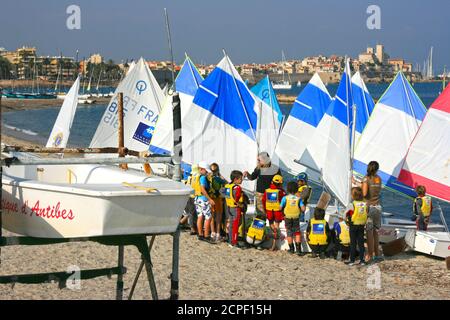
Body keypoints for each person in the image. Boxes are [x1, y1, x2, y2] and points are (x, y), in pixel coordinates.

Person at [353, 161, 383, 263]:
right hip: (378, 207)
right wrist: (359, 183)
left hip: (369, 208)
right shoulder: (379, 178)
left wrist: (356, 184)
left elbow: (365, 193)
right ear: (377, 169)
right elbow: (372, 188)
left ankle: (369, 255)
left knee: (369, 232)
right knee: (376, 232)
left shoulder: (365, 179)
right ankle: (377, 254)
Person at [243, 152, 281, 218]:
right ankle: (261, 228)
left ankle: (272, 227)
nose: (258, 161)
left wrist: (279, 193)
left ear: (265, 159)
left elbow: (280, 181)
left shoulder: (275, 168)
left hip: (271, 194)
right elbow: (252, 177)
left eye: (259, 160)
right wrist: (247, 174)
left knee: (271, 212)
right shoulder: (258, 168)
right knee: (260, 213)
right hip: (260, 194)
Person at [280, 181, 306, 255]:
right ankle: (298, 250)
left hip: (287, 217)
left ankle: (291, 249)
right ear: (296, 189)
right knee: (297, 232)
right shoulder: (298, 199)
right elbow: (303, 209)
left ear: (287, 189)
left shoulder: (285, 198)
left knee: (289, 232)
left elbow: (280, 207)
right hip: (296, 217)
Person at [193, 161, 215, 243]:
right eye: (206, 171)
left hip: (197, 198)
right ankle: (206, 236)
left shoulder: (197, 176)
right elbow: (202, 188)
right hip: (203, 200)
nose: (207, 172)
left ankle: (200, 235)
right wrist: (209, 199)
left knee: (200, 216)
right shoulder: (203, 178)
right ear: (202, 169)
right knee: (208, 217)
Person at [345, 187, 368, 266]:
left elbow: (347, 214)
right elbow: (366, 213)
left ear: (353, 196)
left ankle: (352, 260)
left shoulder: (352, 204)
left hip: (353, 225)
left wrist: (346, 221)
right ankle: (362, 260)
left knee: (353, 243)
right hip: (361, 225)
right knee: (361, 243)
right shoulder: (365, 204)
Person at [262, 174, 286, 250]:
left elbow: (263, 201)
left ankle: (275, 237)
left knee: (272, 226)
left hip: (269, 211)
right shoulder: (281, 192)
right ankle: (274, 244)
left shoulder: (267, 190)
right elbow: (284, 202)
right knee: (276, 227)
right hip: (278, 212)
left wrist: (266, 210)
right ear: (280, 183)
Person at [222, 170, 245, 247]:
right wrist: (242, 205)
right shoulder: (237, 188)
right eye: (241, 179)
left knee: (231, 225)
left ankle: (230, 241)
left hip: (229, 207)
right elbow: (239, 199)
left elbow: (222, 192)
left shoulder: (227, 186)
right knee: (235, 225)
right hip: (236, 208)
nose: (242, 180)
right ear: (235, 179)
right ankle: (234, 242)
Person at [208, 163, 228, 242]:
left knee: (212, 217)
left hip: (210, 198)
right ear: (218, 170)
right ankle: (218, 234)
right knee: (218, 218)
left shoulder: (208, 177)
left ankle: (212, 233)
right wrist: (220, 175)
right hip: (218, 199)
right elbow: (227, 183)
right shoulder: (219, 179)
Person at [180, 164, 199, 235]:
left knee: (189, 213)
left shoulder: (186, 179)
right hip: (192, 197)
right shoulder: (193, 178)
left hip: (187, 196)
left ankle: (182, 224)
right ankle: (191, 228)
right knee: (191, 213)